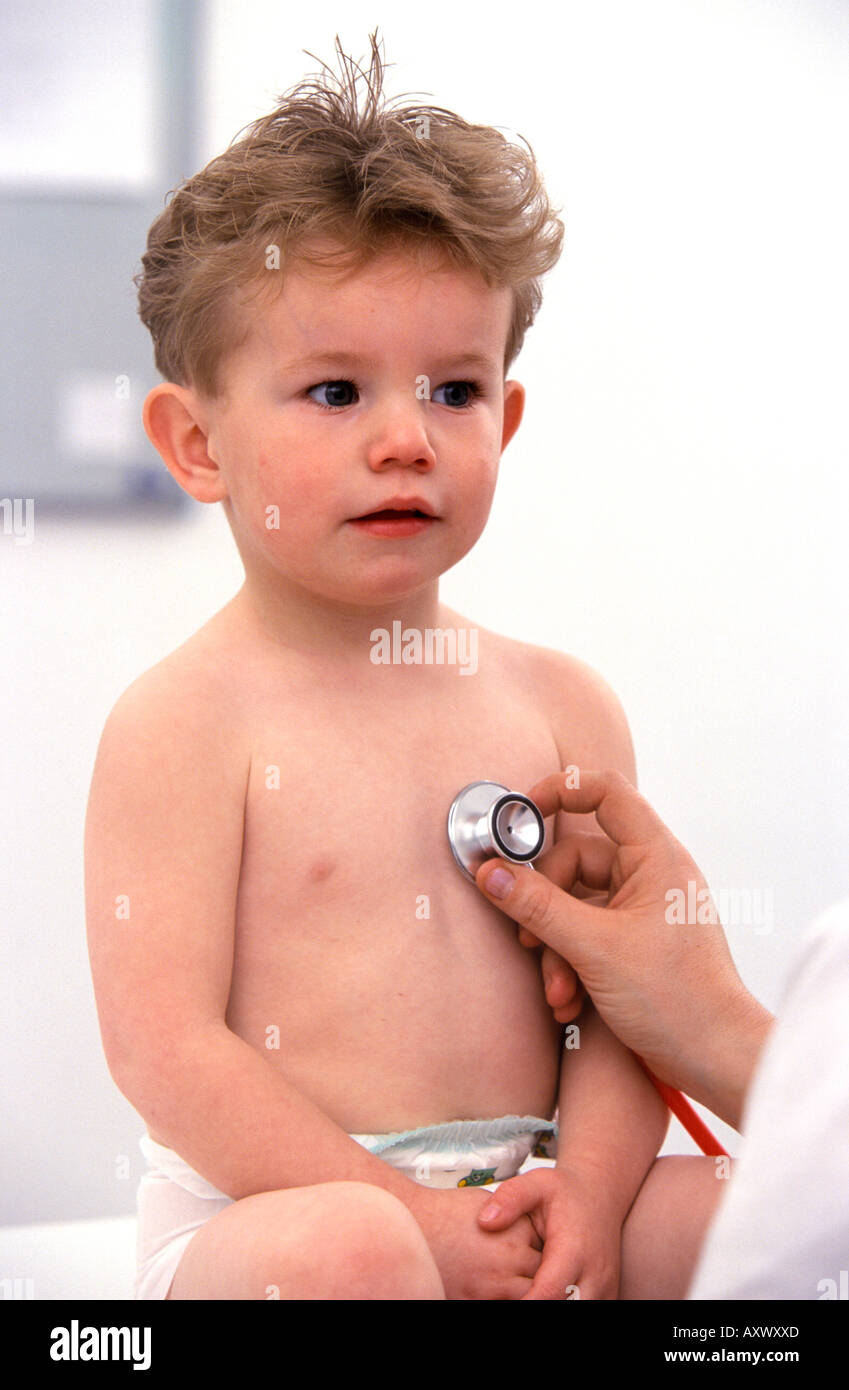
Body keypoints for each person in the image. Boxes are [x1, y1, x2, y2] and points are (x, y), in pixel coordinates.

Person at [85, 33, 724, 1302]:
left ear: (507, 418)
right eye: (334, 392)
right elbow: (166, 1049)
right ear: (197, 443)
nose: (404, 441)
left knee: (737, 1211)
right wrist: (413, 1223)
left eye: (453, 389)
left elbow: (615, 1010)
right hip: (279, 1204)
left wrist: (590, 1199)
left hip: (529, 1179)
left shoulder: (559, 704)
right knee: (353, 1257)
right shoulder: (184, 723)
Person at [473, 768, 848, 1300]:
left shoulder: (571, 701)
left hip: (539, 1192)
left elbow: (603, 1020)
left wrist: (590, 1190)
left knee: (699, 1212)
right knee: (357, 1244)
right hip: (346, 1200)